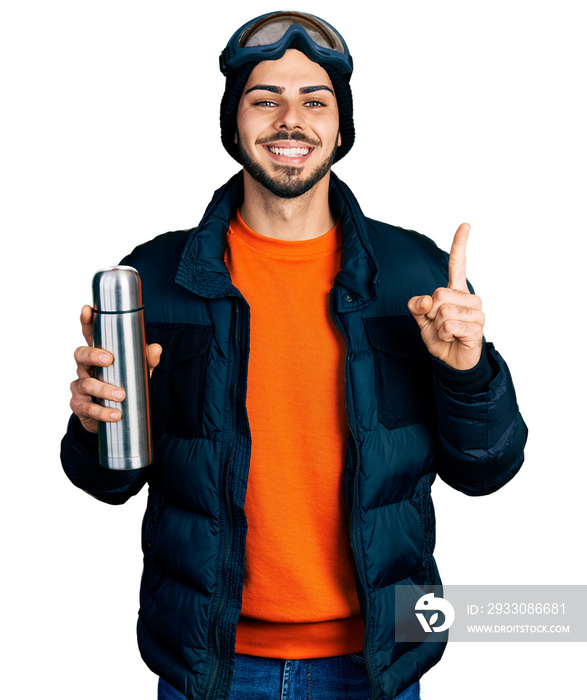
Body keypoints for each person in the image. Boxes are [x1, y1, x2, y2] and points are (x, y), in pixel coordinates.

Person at [61, 10, 528, 700]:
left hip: (377, 664)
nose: (290, 119)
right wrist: (94, 425)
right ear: (233, 123)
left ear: (340, 127)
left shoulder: (415, 277)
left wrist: (466, 371)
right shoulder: (156, 278)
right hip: (211, 667)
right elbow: (108, 483)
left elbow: (485, 470)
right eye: (264, 99)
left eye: (314, 100)